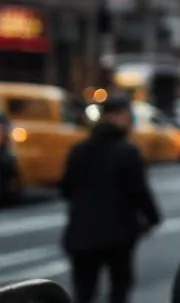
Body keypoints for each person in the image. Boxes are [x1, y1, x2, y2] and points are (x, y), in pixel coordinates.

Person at [61, 93, 161, 303]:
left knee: (84, 291)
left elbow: (66, 189)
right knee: (120, 287)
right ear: (118, 116)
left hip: (81, 232)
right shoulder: (127, 151)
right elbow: (139, 191)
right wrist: (152, 218)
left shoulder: (79, 150)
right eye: (128, 115)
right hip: (117, 234)